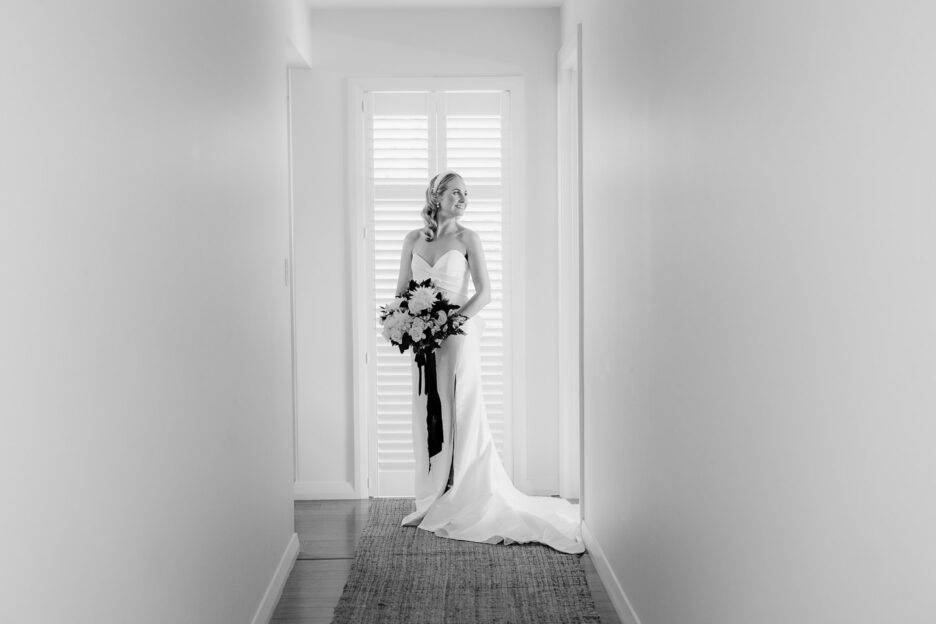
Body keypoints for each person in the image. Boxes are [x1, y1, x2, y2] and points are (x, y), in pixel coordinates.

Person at [393, 170, 585, 554]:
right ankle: (433, 495)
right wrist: (407, 325)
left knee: (460, 411)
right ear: (436, 195)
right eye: (455, 192)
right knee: (428, 412)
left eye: (467, 193)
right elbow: (401, 292)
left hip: (457, 338)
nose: (463, 198)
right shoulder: (413, 239)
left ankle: (463, 492)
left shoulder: (468, 239)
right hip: (422, 344)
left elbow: (485, 294)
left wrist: (449, 323)